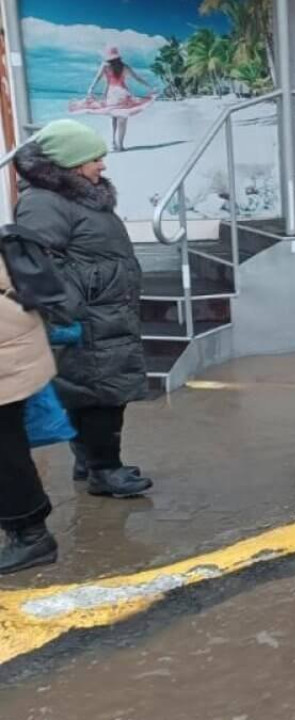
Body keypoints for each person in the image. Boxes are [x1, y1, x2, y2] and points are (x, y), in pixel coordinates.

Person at [15, 119, 153, 499]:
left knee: (98, 390)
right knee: (99, 394)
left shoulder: (78, 195)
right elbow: (39, 262)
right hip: (89, 315)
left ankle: (91, 460)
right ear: (71, 163)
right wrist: (75, 305)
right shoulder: (43, 202)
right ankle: (105, 471)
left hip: (106, 311)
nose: (103, 165)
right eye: (95, 158)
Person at [0, 252, 59, 574]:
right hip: (14, 348)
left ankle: (32, 537)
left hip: (7, 357)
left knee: (6, 452)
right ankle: (25, 532)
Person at [80, 46, 155, 152]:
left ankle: (113, 142)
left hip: (112, 95)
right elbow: (137, 78)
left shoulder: (105, 66)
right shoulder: (124, 67)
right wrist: (149, 86)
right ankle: (120, 145)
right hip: (123, 94)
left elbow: (97, 78)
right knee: (122, 120)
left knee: (114, 119)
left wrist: (90, 89)